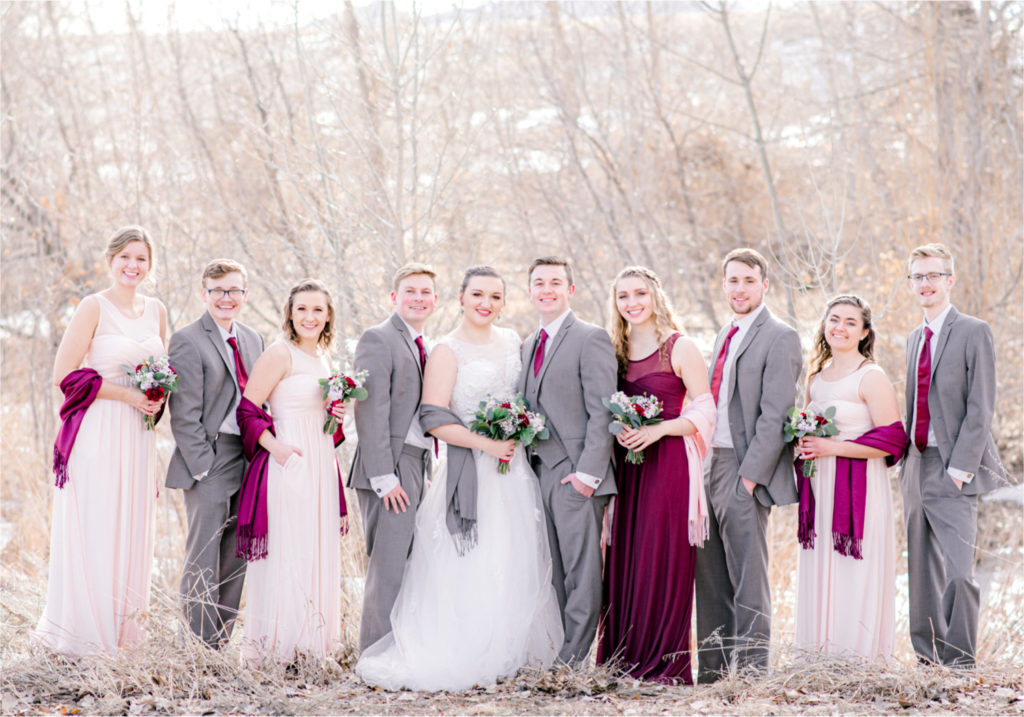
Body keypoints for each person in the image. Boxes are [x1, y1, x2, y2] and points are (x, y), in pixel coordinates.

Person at [355, 266, 562, 691]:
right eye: (477, 295)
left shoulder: (512, 342)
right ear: (461, 298)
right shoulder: (446, 350)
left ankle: (510, 648)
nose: (486, 304)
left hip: (514, 470)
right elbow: (432, 418)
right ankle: (468, 647)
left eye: (496, 297)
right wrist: (486, 445)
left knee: (514, 554)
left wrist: (518, 430)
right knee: (470, 558)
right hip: (472, 468)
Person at [33, 226, 168, 656]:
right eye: (126, 257)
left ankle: (124, 633)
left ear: (150, 265)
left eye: (141, 259)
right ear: (111, 260)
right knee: (97, 524)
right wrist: (127, 394)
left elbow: (162, 373)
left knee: (130, 525)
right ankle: (83, 634)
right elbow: (64, 376)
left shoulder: (158, 311)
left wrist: (154, 396)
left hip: (138, 437)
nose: (133, 266)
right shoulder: (93, 306)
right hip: (98, 431)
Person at [596, 267, 715, 685]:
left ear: (655, 296)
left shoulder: (679, 347)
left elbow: (704, 410)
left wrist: (658, 429)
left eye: (640, 293)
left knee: (661, 557)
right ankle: (623, 660)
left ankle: (664, 665)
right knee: (627, 557)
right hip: (627, 470)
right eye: (623, 296)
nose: (632, 302)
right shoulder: (614, 349)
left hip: (669, 468)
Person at [694, 247, 802, 683]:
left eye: (748, 281)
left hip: (744, 470)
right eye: (732, 281)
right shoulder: (724, 333)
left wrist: (749, 479)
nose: (739, 289)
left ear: (765, 285)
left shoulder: (780, 336)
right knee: (711, 579)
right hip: (708, 466)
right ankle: (714, 675)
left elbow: (776, 415)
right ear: (723, 285)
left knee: (748, 580)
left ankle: (753, 674)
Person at [899, 244, 1006, 668]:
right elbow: (911, 405)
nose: (925, 284)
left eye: (933, 275)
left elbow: (981, 408)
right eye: (918, 277)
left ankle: (960, 663)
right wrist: (902, 460)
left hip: (953, 467)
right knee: (921, 573)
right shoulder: (913, 338)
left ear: (950, 280)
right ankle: (928, 661)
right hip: (915, 466)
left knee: (960, 573)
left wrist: (959, 470)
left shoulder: (973, 331)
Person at [235, 279, 348, 663]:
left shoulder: (325, 357)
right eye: (302, 309)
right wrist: (277, 448)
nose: (310, 317)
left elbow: (324, 419)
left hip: (321, 463)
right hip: (289, 462)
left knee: (315, 549)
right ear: (290, 313)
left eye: (318, 309)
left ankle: (311, 646)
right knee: (290, 550)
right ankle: (276, 649)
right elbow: (247, 411)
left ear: (328, 315)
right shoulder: (279, 353)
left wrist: (336, 415)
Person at [794, 295, 908, 658]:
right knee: (821, 565)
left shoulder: (870, 377)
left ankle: (855, 658)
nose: (839, 328)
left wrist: (833, 449)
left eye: (849, 322)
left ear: (863, 332)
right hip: (820, 486)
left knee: (851, 570)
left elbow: (893, 440)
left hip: (859, 492)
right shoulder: (815, 378)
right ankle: (819, 658)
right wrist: (803, 444)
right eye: (833, 320)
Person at [519, 256, 618, 666]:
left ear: (570, 290)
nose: (547, 289)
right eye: (539, 282)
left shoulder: (590, 337)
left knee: (581, 571)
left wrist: (588, 475)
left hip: (578, 474)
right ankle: (560, 648)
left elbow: (604, 410)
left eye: (556, 282)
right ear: (530, 291)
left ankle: (576, 659)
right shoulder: (527, 344)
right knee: (553, 569)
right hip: (538, 472)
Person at [166, 259, 264, 648]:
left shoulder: (254, 339)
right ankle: (194, 645)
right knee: (203, 552)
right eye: (218, 290)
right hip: (211, 456)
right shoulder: (188, 339)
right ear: (204, 293)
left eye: (235, 290)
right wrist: (203, 468)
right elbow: (183, 414)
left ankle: (218, 645)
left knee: (237, 552)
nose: (227, 298)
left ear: (245, 295)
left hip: (249, 455)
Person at [348, 263, 438, 652]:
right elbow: (369, 411)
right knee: (387, 568)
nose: (418, 298)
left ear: (435, 300)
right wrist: (385, 476)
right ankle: (374, 655)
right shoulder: (378, 339)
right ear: (394, 297)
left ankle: (399, 650)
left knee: (409, 565)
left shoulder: (424, 344)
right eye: (410, 291)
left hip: (417, 463)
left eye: (425, 292)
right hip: (389, 465)